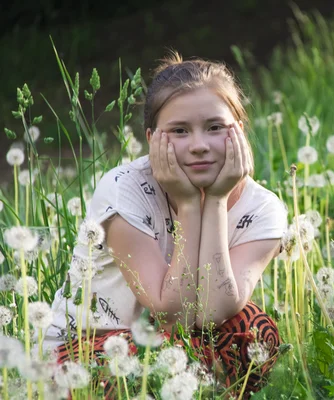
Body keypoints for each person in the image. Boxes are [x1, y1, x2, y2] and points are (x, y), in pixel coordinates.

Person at [42, 51, 288, 396]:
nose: (199, 145)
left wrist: (215, 201)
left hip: (183, 347)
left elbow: (214, 311)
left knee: (253, 328)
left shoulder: (263, 208)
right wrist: (189, 204)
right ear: (152, 138)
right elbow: (168, 313)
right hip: (91, 349)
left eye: (215, 127)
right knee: (132, 359)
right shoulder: (123, 188)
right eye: (180, 131)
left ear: (240, 133)